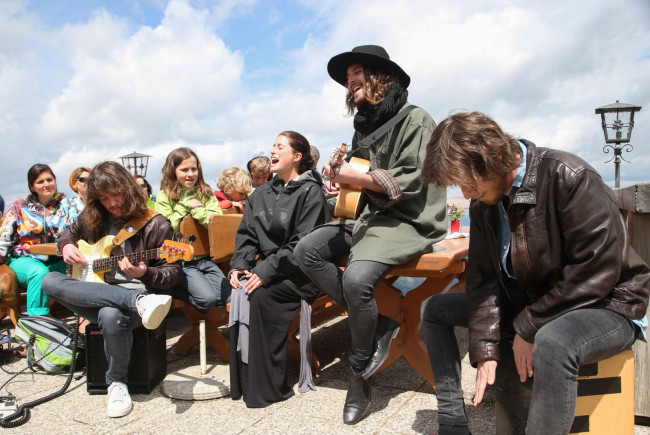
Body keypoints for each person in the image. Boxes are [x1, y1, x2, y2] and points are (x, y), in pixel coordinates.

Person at [420, 111, 649, 435]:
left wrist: (529, 327)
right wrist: (485, 347)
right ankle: (453, 424)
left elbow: (597, 270)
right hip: (536, 302)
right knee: (434, 309)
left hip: (607, 304)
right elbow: (483, 281)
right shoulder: (483, 204)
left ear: (496, 157)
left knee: (554, 342)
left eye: (468, 182)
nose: (465, 192)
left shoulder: (569, 176)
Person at [294, 45, 447, 425]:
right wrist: (343, 189)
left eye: (357, 71)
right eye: (348, 76)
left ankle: (359, 373)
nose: (350, 80)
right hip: (371, 218)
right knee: (306, 250)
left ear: (382, 77)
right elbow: (361, 181)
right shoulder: (362, 126)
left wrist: (355, 178)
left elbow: (412, 179)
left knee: (359, 278)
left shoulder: (417, 119)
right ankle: (380, 323)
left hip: (410, 218)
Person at [42, 161, 179, 418]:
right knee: (49, 281)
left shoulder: (156, 223)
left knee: (109, 315)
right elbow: (67, 234)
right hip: (106, 293)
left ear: (128, 188)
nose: (112, 203)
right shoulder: (94, 217)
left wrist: (145, 273)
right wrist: (66, 246)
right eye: (104, 198)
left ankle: (116, 382)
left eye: (116, 194)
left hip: (142, 299)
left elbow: (173, 273)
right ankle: (134, 300)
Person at [229, 131, 329, 408]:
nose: (272, 151)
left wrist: (264, 271)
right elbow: (247, 236)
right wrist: (239, 266)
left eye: (280, 147)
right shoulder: (259, 194)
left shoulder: (312, 192)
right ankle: (246, 384)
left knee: (261, 296)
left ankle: (270, 388)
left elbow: (303, 244)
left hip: (303, 271)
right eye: (273, 146)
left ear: (297, 156)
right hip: (270, 268)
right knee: (240, 290)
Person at [156, 147, 230, 311]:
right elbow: (166, 229)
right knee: (208, 299)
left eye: (193, 169)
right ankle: (170, 288)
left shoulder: (205, 192)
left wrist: (198, 211)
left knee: (229, 298)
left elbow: (216, 221)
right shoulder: (164, 196)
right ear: (173, 171)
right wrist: (185, 206)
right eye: (184, 169)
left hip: (205, 258)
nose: (190, 174)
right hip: (180, 261)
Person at [0, 164, 71, 316]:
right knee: (39, 273)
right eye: (40, 182)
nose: (46, 184)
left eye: (49, 179)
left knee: (79, 270)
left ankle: (85, 323)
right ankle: (38, 324)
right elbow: (5, 237)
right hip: (25, 259)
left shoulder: (68, 205)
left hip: (59, 259)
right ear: (32, 186)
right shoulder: (19, 207)